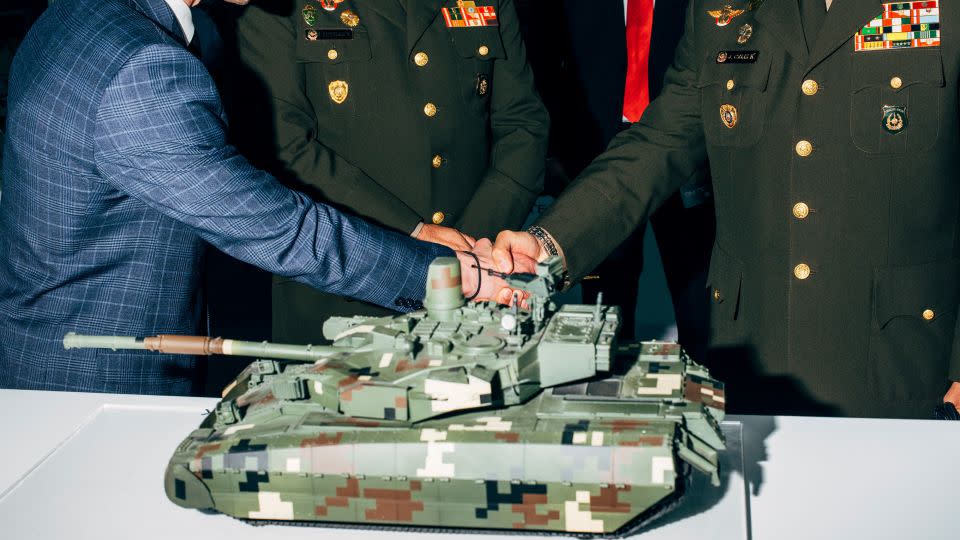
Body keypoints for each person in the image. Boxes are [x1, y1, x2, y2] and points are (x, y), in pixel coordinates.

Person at [0, 0, 511, 396]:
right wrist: (449, 273)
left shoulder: (81, 14)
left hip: (52, 346)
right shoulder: (142, 66)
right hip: (98, 376)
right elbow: (284, 231)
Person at [493, 0, 960, 419]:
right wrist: (547, 241)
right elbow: (657, 143)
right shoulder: (722, 10)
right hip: (748, 368)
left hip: (897, 370)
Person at [228, 0, 549, 344]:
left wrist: (473, 247)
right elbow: (283, 148)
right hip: (344, 291)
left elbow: (522, 125)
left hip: (482, 282)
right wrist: (412, 234)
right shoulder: (276, 7)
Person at [516, 0, 715, 352]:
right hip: (599, 161)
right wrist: (559, 153)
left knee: (700, 298)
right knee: (605, 306)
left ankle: (711, 387)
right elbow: (543, 58)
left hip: (688, 157)